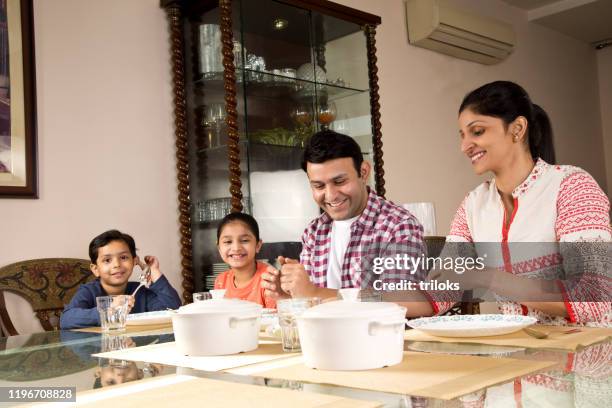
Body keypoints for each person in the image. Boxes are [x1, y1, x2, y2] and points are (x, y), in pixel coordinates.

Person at [427, 81, 611, 325]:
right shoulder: (473, 205)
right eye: (462, 135)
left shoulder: (572, 186)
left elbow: (594, 297)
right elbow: (444, 289)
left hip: (585, 355)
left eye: (477, 131)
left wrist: (488, 277)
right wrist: (376, 297)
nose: (464, 146)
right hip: (518, 353)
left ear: (517, 128)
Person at [262, 130, 427, 302]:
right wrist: (290, 297)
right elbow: (310, 303)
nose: (331, 195)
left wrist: (314, 292)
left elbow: (404, 300)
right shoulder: (313, 232)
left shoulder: (398, 226)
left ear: (363, 172)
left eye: (339, 182)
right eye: (319, 186)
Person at [60, 229, 182, 329]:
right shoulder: (89, 291)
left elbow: (173, 310)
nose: (117, 264)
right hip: (100, 351)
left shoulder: (140, 292)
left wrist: (154, 272)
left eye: (123, 257)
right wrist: (108, 311)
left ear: (134, 261)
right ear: (95, 269)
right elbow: (67, 319)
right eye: (107, 260)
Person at [213, 212, 276, 308]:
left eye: (244, 240)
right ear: (219, 249)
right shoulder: (221, 281)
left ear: (258, 245)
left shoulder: (269, 280)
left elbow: (277, 320)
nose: (236, 248)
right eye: (228, 242)